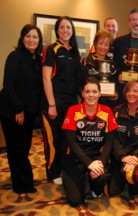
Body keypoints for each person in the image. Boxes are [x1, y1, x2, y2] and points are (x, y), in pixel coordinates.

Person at [0, 24, 43, 194]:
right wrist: (18, 109)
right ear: (22, 38)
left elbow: (37, 87)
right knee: (17, 149)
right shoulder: (15, 56)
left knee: (24, 147)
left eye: (35, 37)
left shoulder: (38, 60)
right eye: (28, 36)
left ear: (39, 41)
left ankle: (17, 175)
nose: (31, 40)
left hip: (29, 111)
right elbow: (8, 84)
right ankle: (23, 184)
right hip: (12, 110)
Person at [61, 77, 118, 207]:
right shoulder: (73, 110)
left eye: (94, 91)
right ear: (82, 93)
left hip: (97, 156)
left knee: (101, 177)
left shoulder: (107, 111)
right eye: (87, 92)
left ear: (99, 93)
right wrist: (88, 164)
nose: (91, 95)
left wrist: (100, 163)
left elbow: (109, 141)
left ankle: (95, 188)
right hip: (76, 157)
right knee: (75, 201)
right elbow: (71, 141)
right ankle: (79, 177)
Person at [41, 16, 82, 185]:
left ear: (72, 31)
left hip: (71, 102)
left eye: (68, 27)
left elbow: (77, 80)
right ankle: (53, 172)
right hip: (54, 102)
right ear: (57, 30)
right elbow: (46, 78)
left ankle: (65, 168)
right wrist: (51, 104)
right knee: (54, 140)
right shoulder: (51, 49)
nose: (65, 30)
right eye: (62, 27)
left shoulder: (74, 51)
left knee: (67, 139)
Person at [107, 80, 138, 201]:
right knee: (112, 191)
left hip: (137, 157)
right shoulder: (116, 111)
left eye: (135, 91)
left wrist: (135, 158)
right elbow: (113, 139)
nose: (131, 93)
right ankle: (124, 173)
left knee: (132, 180)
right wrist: (122, 157)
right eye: (128, 90)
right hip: (120, 156)